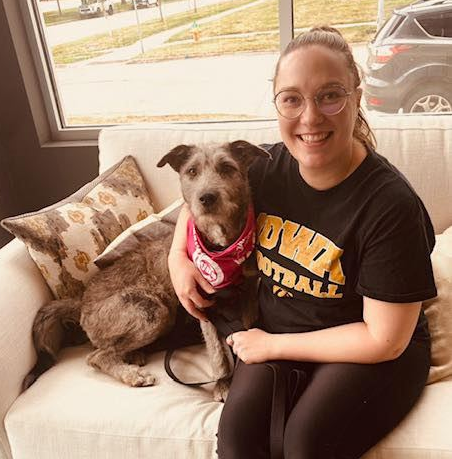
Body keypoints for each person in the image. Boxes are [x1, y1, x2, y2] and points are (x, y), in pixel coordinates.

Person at [167, 26, 437, 459]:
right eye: (292, 99)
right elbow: (199, 201)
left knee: (305, 445)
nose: (310, 118)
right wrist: (177, 260)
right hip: (280, 331)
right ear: (277, 104)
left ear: (357, 98)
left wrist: (272, 345)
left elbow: (385, 340)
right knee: (237, 442)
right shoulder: (264, 167)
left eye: (330, 96)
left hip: (367, 347)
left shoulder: (389, 204)